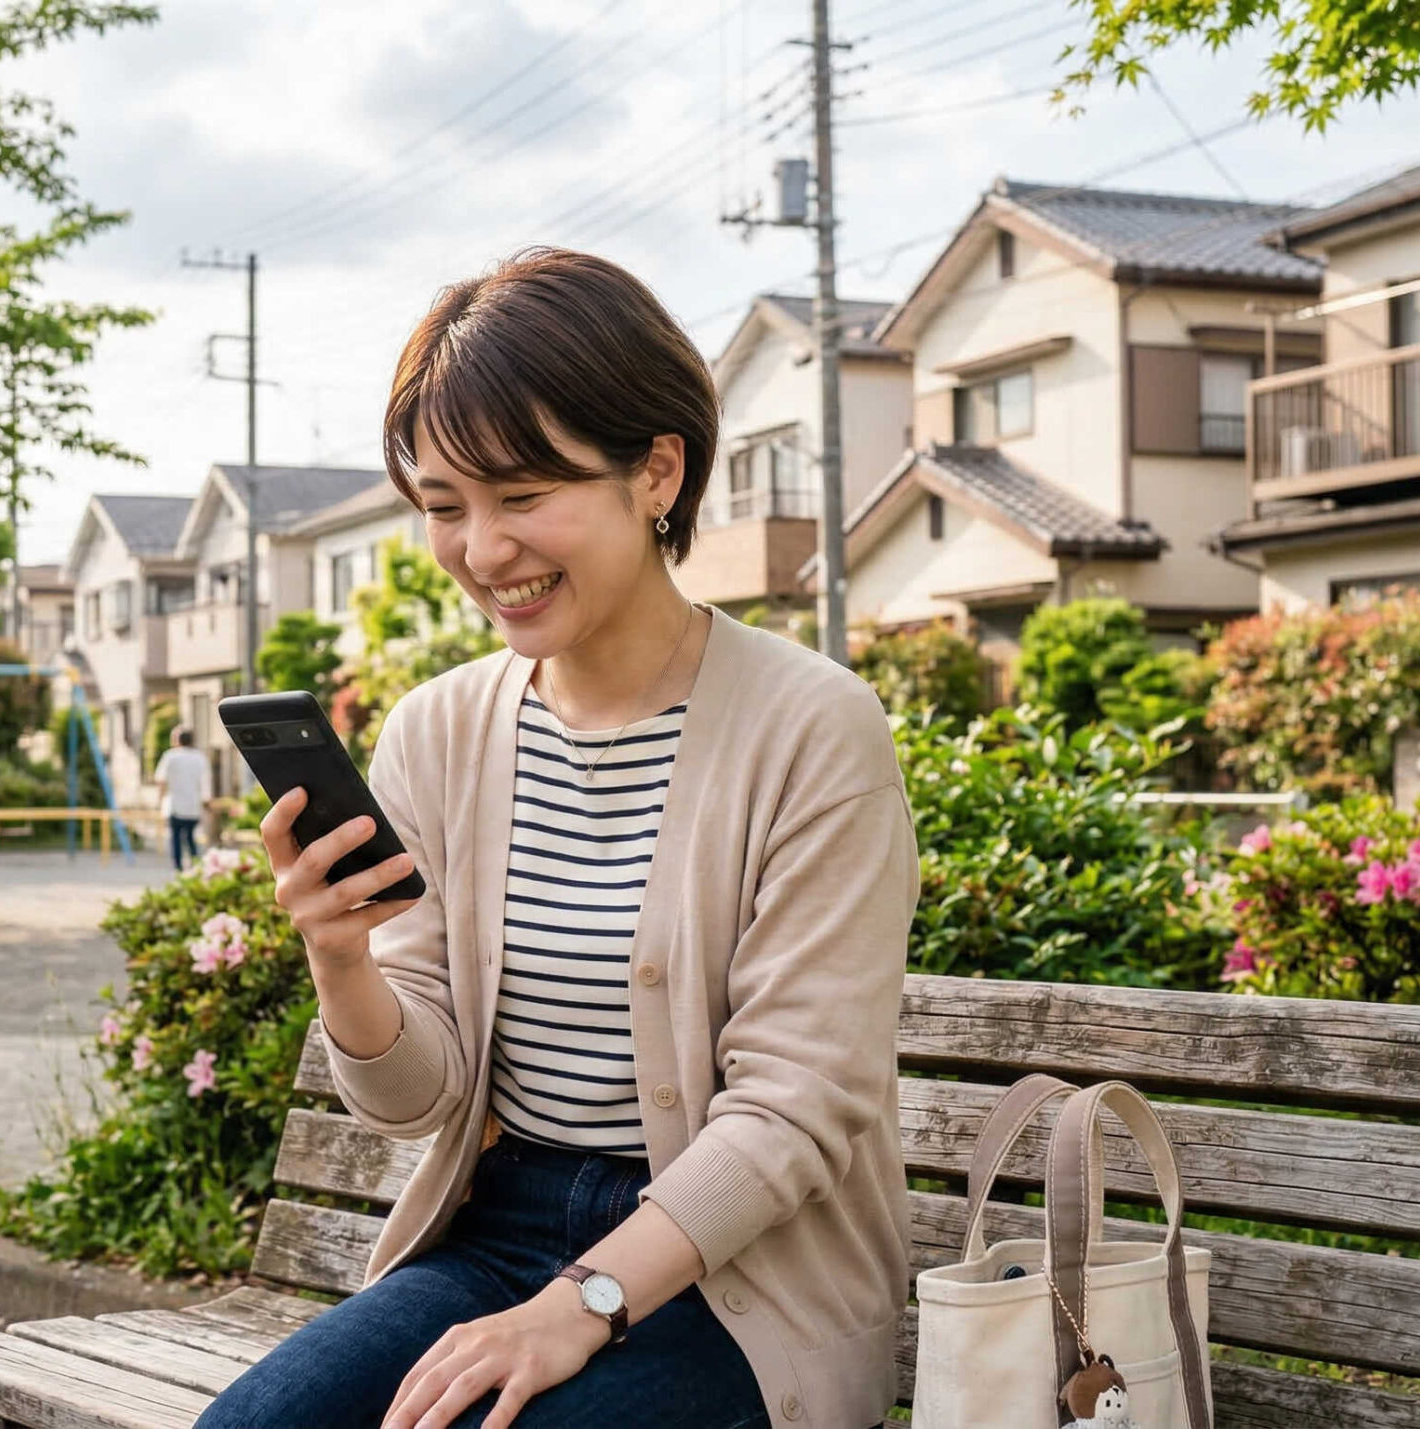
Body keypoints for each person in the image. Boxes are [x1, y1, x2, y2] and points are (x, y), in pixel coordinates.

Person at [196, 249, 919, 1429]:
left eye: (524, 496)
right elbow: (415, 1099)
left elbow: (794, 1106)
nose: (482, 551)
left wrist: (581, 1302)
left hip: (744, 1274)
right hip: (498, 1229)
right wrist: (341, 960)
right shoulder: (438, 730)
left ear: (657, 471)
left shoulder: (811, 725)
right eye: (443, 506)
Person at [152, 725, 210, 872]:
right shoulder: (200, 757)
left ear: (176, 740)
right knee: (190, 837)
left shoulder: (170, 756)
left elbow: (161, 780)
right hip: (193, 805)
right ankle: (195, 865)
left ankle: (178, 867)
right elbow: (205, 782)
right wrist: (206, 801)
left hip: (175, 804)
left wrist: (159, 801)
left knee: (176, 837)